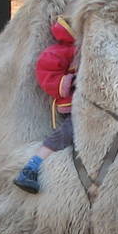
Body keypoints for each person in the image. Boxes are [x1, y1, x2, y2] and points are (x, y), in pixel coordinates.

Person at [13, 16, 77, 193]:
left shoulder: (85, 50)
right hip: (74, 105)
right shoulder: (56, 53)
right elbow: (48, 78)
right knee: (68, 131)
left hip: (91, 104)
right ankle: (32, 167)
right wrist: (71, 81)